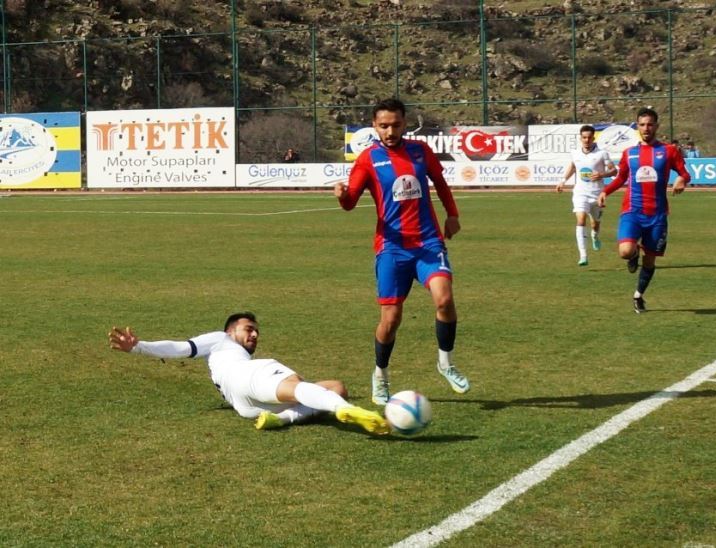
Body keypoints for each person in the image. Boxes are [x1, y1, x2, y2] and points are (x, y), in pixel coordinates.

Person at [333, 98, 469, 405]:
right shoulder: (368, 159)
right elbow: (351, 202)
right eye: (383, 126)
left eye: (395, 125)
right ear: (374, 126)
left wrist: (452, 215)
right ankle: (380, 376)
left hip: (428, 242)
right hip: (392, 248)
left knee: (444, 299)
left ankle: (446, 363)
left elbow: (441, 183)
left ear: (404, 123)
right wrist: (342, 195)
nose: (390, 131)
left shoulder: (420, 151)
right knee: (391, 320)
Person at [108, 312, 389, 434]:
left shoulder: (233, 357)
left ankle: (282, 419)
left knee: (336, 387)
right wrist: (139, 347)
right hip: (247, 379)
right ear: (231, 331)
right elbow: (181, 348)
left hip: (247, 407)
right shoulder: (220, 339)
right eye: (248, 329)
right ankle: (347, 410)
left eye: (257, 331)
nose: (254, 334)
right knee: (295, 384)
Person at [597, 107, 691, 314]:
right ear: (637, 127)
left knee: (649, 260)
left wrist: (681, 180)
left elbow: (685, 173)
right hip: (632, 212)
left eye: (650, 124)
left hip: (657, 215)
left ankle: (638, 295)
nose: (646, 128)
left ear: (656, 126)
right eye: (642, 125)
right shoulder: (629, 153)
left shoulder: (669, 151)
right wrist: (605, 191)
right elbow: (621, 178)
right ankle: (633, 255)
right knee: (625, 251)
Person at [556, 125, 618, 266]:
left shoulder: (602, 153)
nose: (586, 140)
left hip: (597, 195)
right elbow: (573, 167)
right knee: (581, 219)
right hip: (580, 193)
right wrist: (563, 181)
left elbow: (614, 171)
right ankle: (583, 255)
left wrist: (602, 174)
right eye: (584, 137)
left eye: (589, 137)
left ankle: (595, 235)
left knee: (595, 224)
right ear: (580, 138)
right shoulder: (575, 153)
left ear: (593, 138)